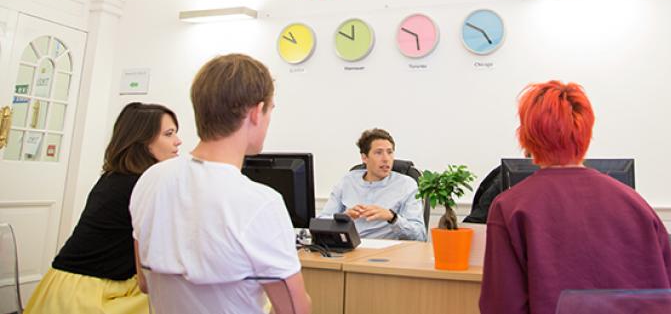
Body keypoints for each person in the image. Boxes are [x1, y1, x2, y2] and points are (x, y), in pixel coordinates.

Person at [129, 53, 311, 314]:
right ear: (256, 113)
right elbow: (295, 311)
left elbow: (145, 282)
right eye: (270, 110)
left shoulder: (150, 180)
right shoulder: (260, 202)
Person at [479, 80, 671, 314]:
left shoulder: (510, 207)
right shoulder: (637, 205)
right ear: (586, 132)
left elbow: (503, 306)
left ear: (526, 136)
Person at [25, 102, 181, 314]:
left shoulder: (116, 177)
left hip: (69, 284)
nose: (178, 141)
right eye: (169, 134)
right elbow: (149, 272)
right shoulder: (139, 185)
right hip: (85, 295)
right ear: (142, 141)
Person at [319, 128, 425, 241]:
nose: (386, 159)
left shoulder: (407, 185)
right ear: (364, 158)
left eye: (389, 152)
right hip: (350, 247)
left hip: (387, 249)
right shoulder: (348, 181)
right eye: (378, 153)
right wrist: (343, 218)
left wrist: (392, 217)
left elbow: (419, 236)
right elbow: (320, 223)